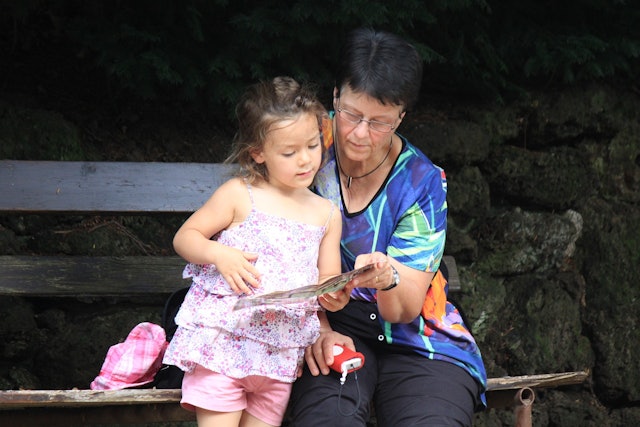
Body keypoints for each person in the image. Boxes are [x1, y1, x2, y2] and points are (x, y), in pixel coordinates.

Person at [286, 29, 487, 427]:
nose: (360, 133)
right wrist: (318, 328)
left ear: (401, 117)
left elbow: (403, 309)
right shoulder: (304, 144)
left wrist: (388, 278)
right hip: (330, 329)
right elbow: (266, 235)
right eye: (351, 114)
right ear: (335, 97)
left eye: (380, 122)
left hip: (419, 339)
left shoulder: (421, 181)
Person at [163, 76, 345, 427]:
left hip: (278, 358)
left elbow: (328, 281)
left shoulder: (326, 214)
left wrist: (335, 295)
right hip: (223, 351)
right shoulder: (239, 194)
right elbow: (185, 237)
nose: (305, 160)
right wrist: (219, 254)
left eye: (312, 145)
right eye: (289, 152)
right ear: (257, 152)